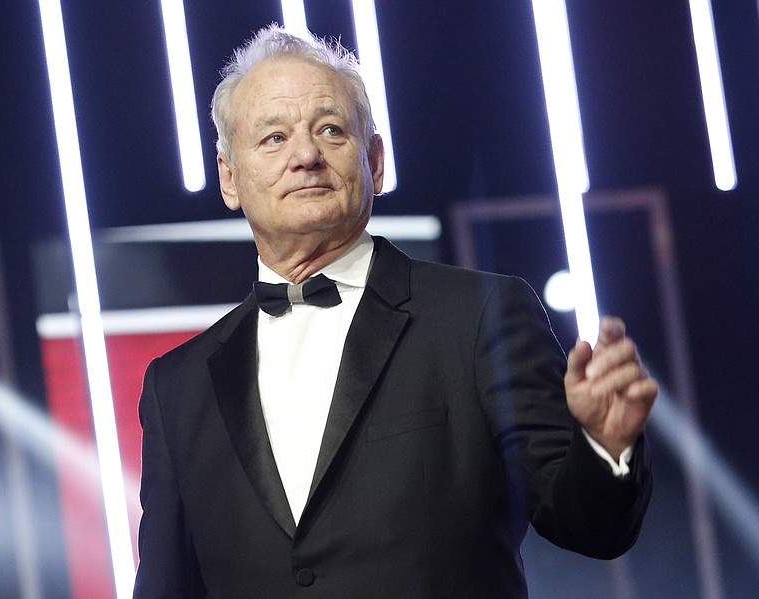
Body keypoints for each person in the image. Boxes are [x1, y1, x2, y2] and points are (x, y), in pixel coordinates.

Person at [133, 24, 657, 598]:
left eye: (330, 130)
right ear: (229, 178)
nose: (305, 155)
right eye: (273, 138)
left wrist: (606, 448)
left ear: (375, 161)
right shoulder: (176, 387)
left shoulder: (479, 316)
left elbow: (590, 526)